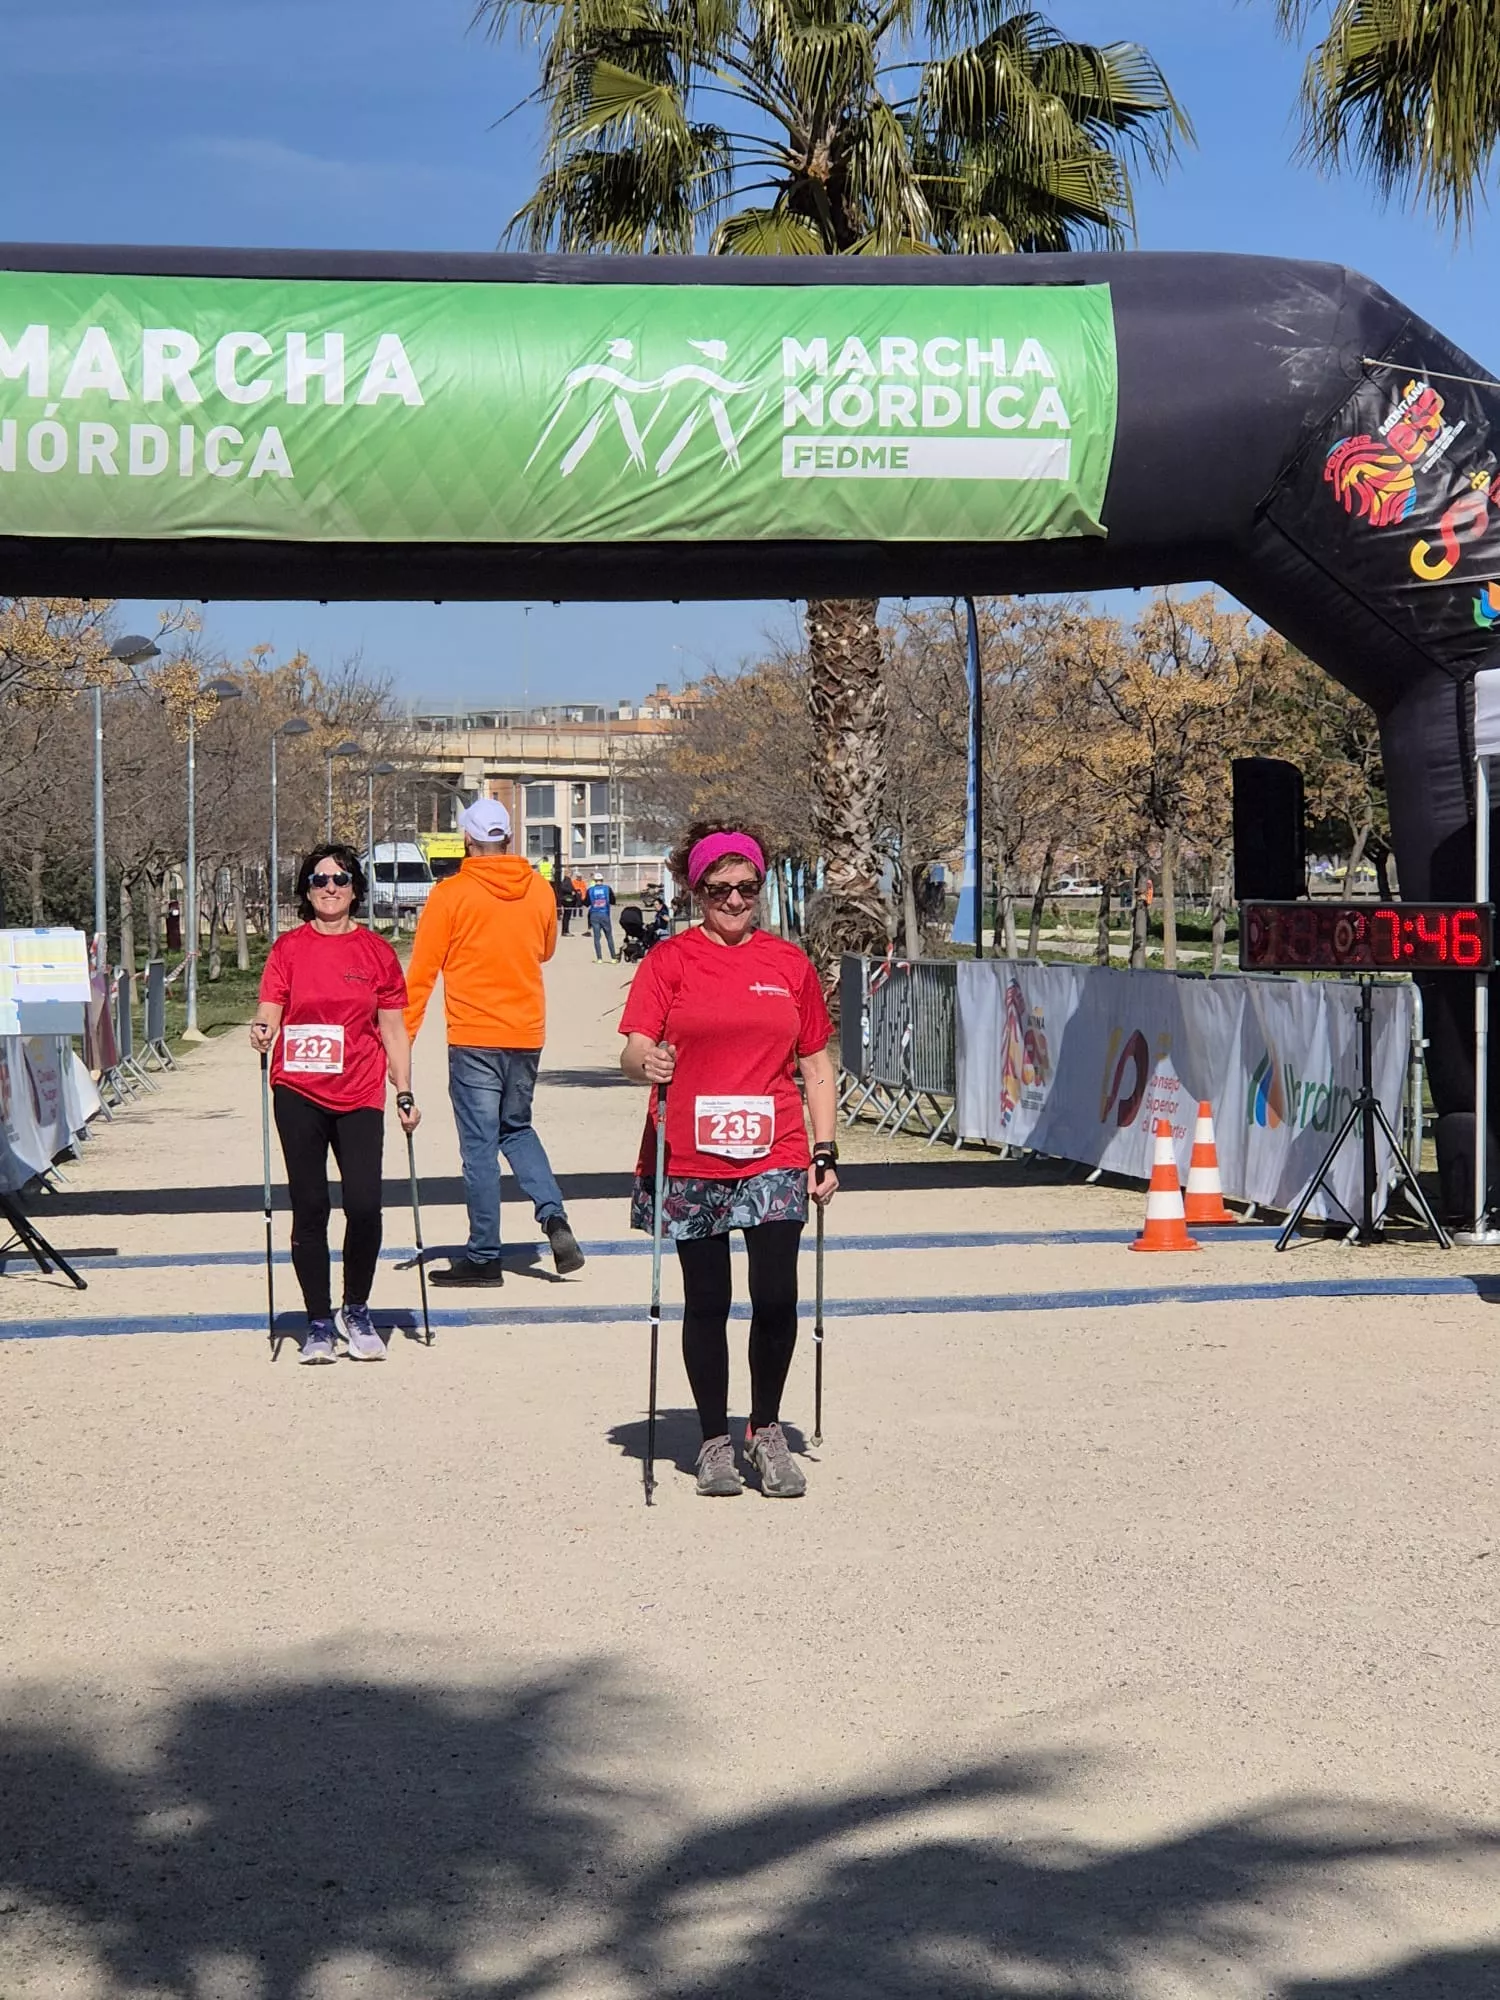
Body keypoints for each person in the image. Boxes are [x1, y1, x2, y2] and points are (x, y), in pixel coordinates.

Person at [619, 820, 839, 1499]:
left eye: (748, 888)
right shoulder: (670, 962)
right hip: (691, 1152)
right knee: (707, 1300)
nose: (737, 901)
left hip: (774, 1148)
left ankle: (765, 1429)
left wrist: (825, 1147)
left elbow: (816, 1063)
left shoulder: (788, 964)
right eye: (721, 890)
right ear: (698, 891)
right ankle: (713, 1438)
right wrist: (645, 1062)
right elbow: (632, 1048)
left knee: (776, 1297)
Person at [249, 844, 419, 1364]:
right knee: (310, 1206)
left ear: (355, 888)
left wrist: (405, 1089)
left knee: (365, 1203)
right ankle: (318, 1321)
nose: (330, 887)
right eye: (319, 879)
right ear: (305, 889)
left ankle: (357, 1308)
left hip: (360, 1090)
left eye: (341, 879)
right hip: (298, 1090)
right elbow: (270, 1007)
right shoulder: (289, 949)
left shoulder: (376, 953)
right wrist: (262, 1030)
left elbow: (394, 1028)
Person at [405, 798, 584, 1285]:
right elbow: (546, 950)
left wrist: (402, 1039)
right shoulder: (539, 891)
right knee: (518, 1129)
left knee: (480, 1146)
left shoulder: (450, 894)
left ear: (467, 840)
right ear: (509, 838)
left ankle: (484, 1255)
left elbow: (422, 973)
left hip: (473, 1036)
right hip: (526, 1032)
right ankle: (552, 1215)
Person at [586, 873, 616, 961]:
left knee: (596, 937)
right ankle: (613, 958)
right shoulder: (607, 889)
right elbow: (613, 901)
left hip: (594, 915)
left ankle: (599, 958)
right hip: (605, 914)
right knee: (609, 936)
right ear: (602, 880)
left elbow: (586, 903)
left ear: (594, 881)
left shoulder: (590, 890)